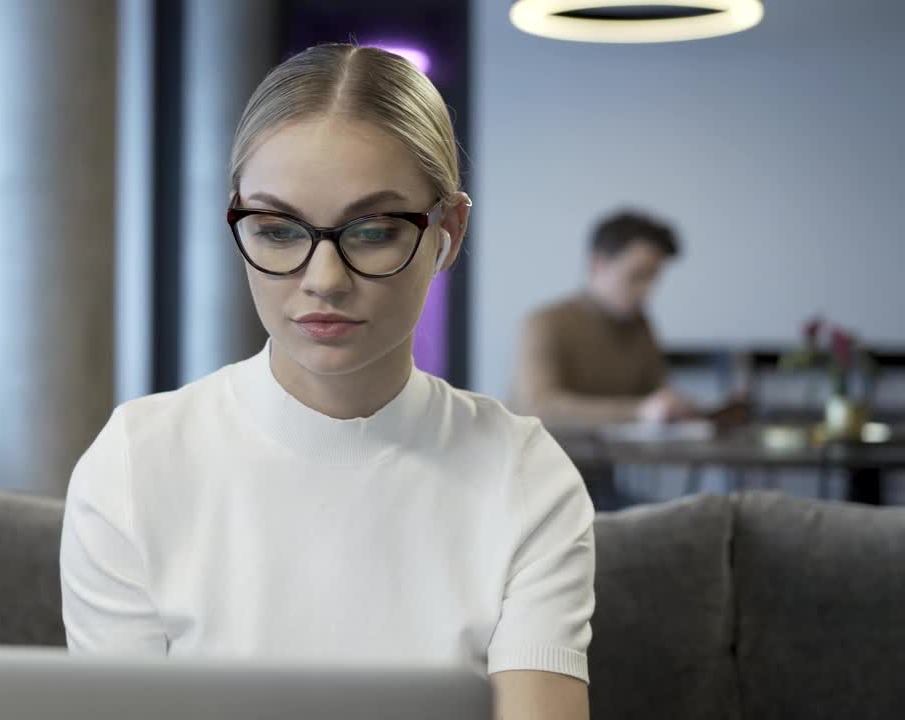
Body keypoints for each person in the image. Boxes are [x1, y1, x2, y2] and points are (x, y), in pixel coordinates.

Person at [60, 45, 593, 719]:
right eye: (278, 230)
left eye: (372, 231)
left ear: (447, 232)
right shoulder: (135, 464)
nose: (323, 280)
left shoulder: (526, 475)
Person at [511, 210, 698, 428]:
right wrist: (639, 411)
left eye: (653, 278)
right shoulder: (545, 323)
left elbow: (656, 395)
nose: (648, 290)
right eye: (637, 275)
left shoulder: (640, 325)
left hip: (606, 459)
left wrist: (675, 406)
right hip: (535, 459)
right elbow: (539, 407)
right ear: (598, 263)